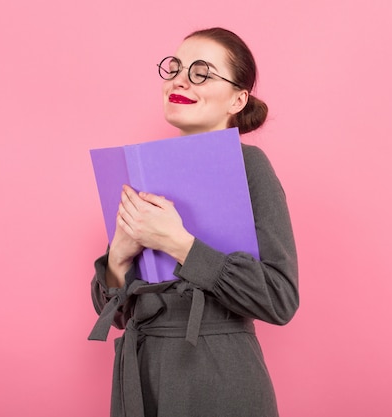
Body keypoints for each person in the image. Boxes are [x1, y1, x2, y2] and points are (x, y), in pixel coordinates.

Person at [89, 27, 299, 417]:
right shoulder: (143, 171)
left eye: (202, 72)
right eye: (175, 68)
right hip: (141, 375)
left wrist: (179, 244)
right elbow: (117, 317)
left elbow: (280, 299)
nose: (179, 80)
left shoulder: (250, 166)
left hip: (216, 378)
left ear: (238, 98)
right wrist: (117, 257)